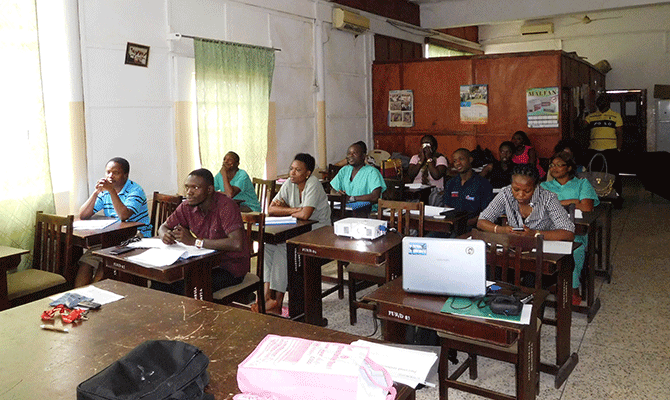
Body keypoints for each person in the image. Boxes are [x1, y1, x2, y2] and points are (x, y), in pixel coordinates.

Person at [258, 153, 331, 315]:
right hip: (297, 228)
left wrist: (289, 211)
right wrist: (295, 210)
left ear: (308, 173)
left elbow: (305, 215)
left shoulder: (313, 184)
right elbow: (271, 209)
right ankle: (265, 297)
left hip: (320, 231)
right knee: (268, 245)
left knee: (284, 248)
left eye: (298, 170)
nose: (292, 173)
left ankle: (278, 300)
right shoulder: (289, 184)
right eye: (291, 169)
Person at [156, 168, 248, 294]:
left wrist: (195, 241)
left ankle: (197, 313)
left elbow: (236, 243)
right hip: (203, 263)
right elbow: (163, 227)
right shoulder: (187, 206)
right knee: (161, 280)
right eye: (187, 187)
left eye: (195, 188)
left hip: (229, 267)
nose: (189, 192)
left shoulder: (226, 206)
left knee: (187, 287)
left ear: (209, 190)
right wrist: (164, 235)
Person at [75, 157, 152, 287]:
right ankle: (77, 300)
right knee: (86, 261)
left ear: (126, 175)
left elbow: (124, 216)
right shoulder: (105, 192)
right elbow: (83, 214)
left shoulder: (135, 191)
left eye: (115, 173)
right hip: (112, 237)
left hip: (136, 236)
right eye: (108, 172)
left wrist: (111, 191)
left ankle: (93, 297)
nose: (110, 176)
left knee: (105, 261)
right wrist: (96, 192)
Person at [541, 151, 599, 305]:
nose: (554, 168)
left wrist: (556, 203)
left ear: (569, 168)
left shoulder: (582, 184)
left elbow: (586, 207)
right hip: (549, 231)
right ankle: (547, 284)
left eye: (559, 165)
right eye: (552, 165)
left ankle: (573, 288)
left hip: (575, 233)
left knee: (576, 249)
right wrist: (573, 202)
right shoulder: (544, 186)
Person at [477, 163, 575, 241]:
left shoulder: (548, 198)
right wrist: (501, 230)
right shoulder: (505, 193)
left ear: (536, 186)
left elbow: (568, 232)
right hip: (515, 249)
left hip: (544, 250)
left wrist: (536, 234)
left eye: (527, 191)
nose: (520, 195)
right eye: (516, 189)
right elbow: (482, 221)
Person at [584, 94, 623, 202]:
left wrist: (618, 149)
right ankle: (597, 196)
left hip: (611, 150)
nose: (601, 103)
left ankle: (617, 198)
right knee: (594, 174)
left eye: (603, 101)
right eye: (599, 101)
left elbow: (620, 133)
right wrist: (584, 110)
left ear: (608, 103)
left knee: (613, 175)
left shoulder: (616, 116)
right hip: (594, 150)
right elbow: (581, 126)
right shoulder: (591, 116)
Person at [442, 148, 493, 229]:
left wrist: (467, 223)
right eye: (455, 161)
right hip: (451, 226)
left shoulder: (483, 184)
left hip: (473, 227)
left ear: (470, 160)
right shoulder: (451, 183)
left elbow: (486, 213)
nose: (458, 163)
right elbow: (447, 206)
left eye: (461, 159)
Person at [330, 141, 387, 208]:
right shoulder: (344, 170)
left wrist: (352, 198)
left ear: (363, 156)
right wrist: (338, 195)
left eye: (354, 153)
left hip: (367, 211)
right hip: (345, 208)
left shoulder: (372, 172)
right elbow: (333, 189)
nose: (350, 156)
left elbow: (375, 196)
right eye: (349, 153)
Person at [407, 134, 449, 205]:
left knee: (433, 198)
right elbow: (411, 175)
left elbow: (436, 176)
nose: (425, 147)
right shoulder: (415, 158)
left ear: (434, 147)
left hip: (434, 190)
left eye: (428, 145)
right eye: (423, 144)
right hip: (417, 190)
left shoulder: (440, 159)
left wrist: (429, 159)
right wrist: (421, 161)